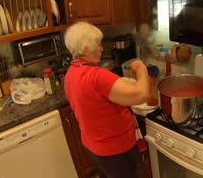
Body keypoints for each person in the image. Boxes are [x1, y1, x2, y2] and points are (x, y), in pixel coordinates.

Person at [63, 21, 149, 178]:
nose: (102, 48)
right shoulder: (96, 76)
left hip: (94, 147)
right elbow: (140, 94)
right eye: (97, 44)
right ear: (86, 47)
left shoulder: (71, 74)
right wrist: (141, 68)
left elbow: (97, 100)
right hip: (115, 150)